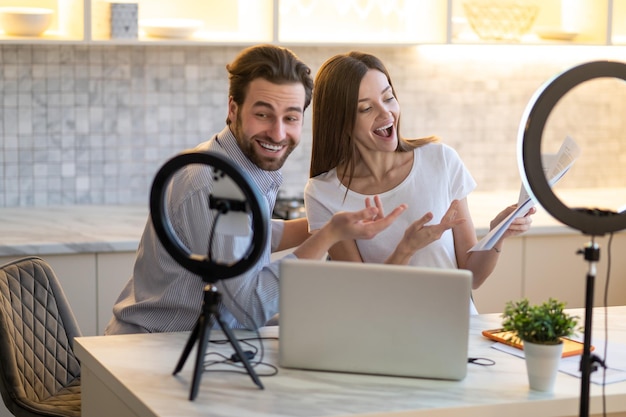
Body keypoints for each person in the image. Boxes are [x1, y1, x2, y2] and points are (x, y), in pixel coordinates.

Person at [105, 45, 407, 335]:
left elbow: (244, 235)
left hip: (197, 342)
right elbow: (249, 308)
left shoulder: (235, 165)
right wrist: (329, 236)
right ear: (233, 109)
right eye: (262, 114)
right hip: (156, 350)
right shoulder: (218, 185)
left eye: (290, 117)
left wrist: (329, 223)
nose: (277, 133)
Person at [304, 51, 535, 314]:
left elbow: (472, 276)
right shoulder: (323, 193)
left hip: (456, 326)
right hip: (385, 334)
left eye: (389, 97)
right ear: (340, 121)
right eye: (367, 108)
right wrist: (407, 248)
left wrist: (497, 235)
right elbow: (365, 296)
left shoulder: (441, 160)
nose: (386, 113)